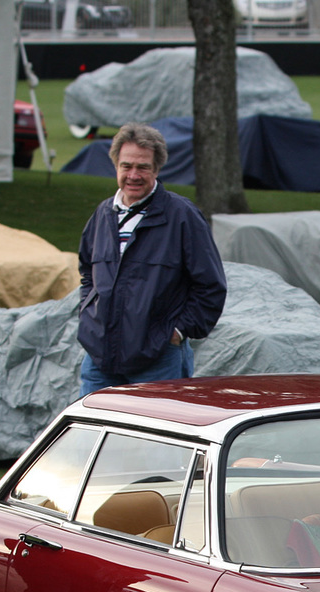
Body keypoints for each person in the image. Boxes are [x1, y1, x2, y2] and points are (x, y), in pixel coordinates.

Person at [77, 122, 226, 398]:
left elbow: (210, 286)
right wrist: (89, 317)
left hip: (158, 360)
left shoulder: (181, 216)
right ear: (116, 166)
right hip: (100, 359)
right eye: (126, 166)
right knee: (95, 436)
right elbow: (88, 273)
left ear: (157, 169)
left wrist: (176, 333)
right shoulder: (103, 215)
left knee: (157, 441)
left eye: (142, 167)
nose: (133, 175)